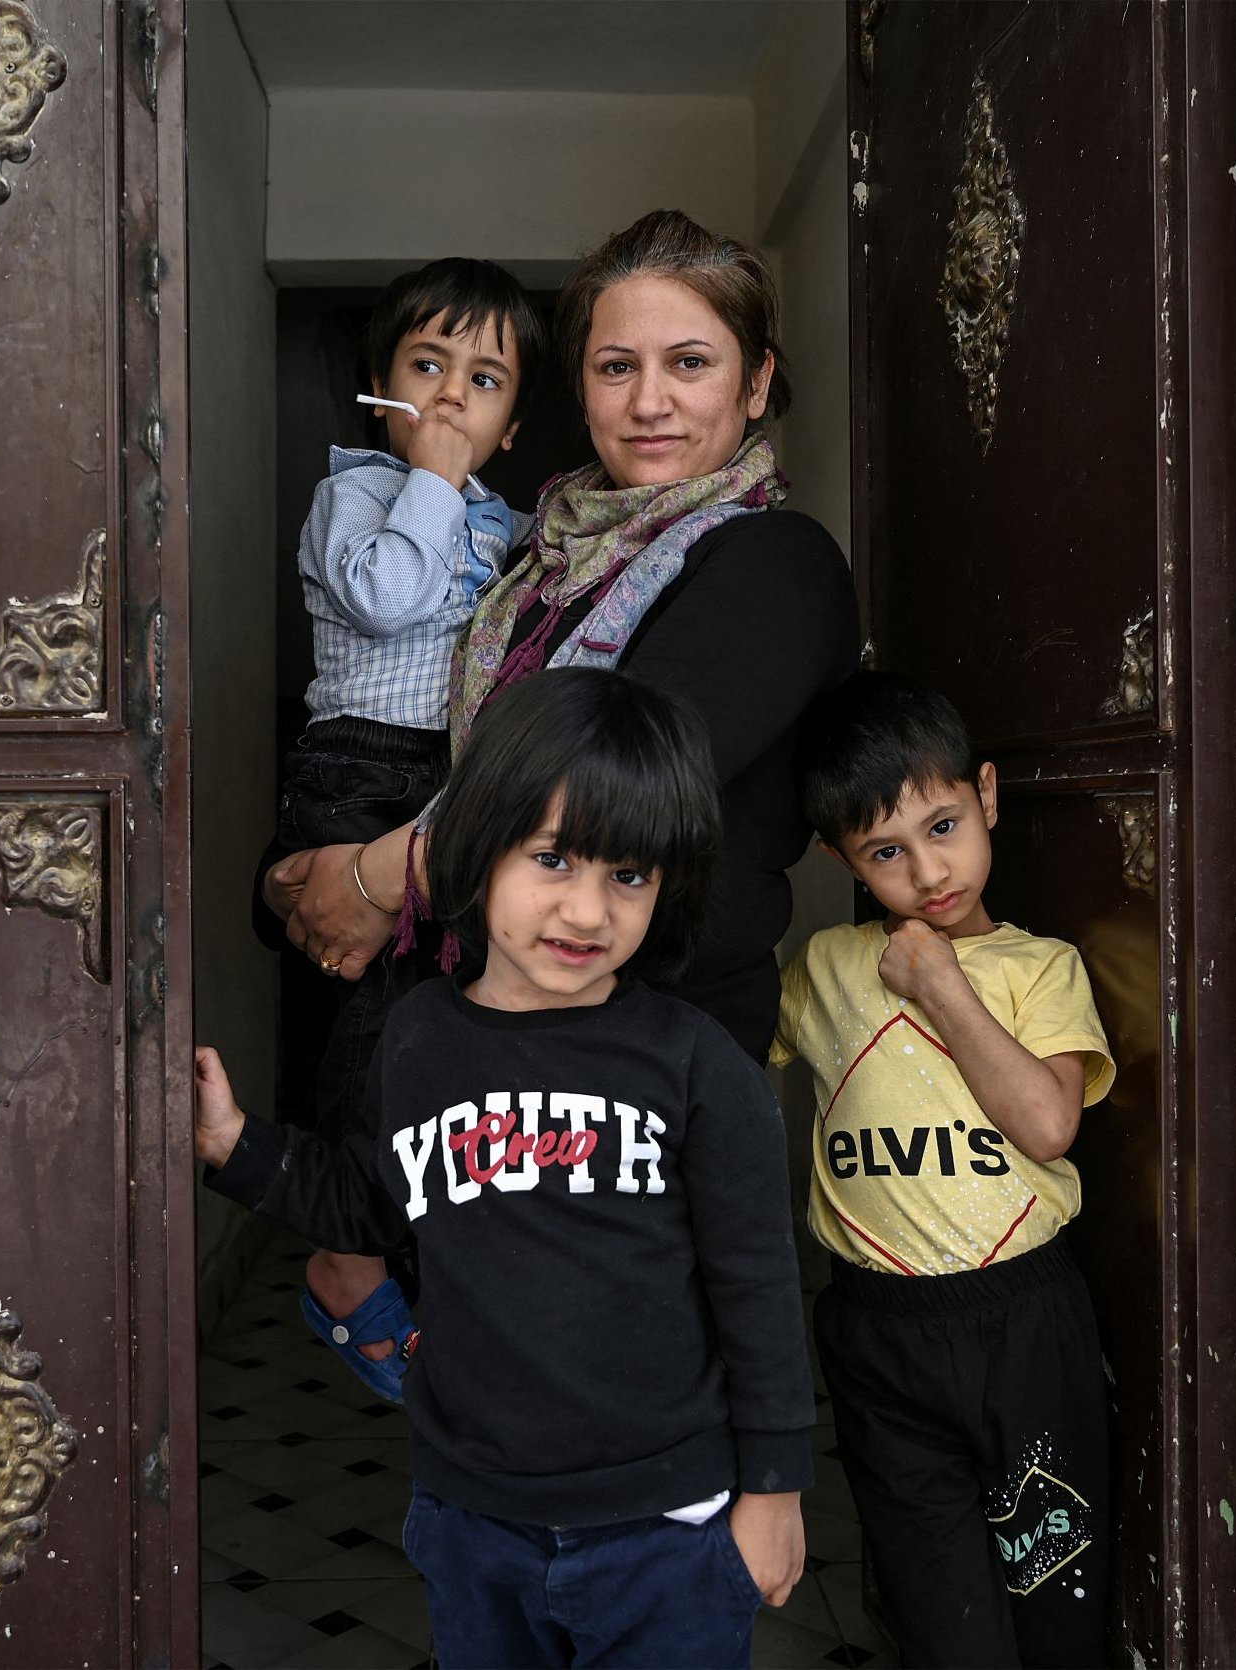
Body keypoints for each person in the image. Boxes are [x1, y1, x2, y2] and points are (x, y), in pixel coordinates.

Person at [261, 209, 861, 1398]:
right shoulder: (534, 555)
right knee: (498, 1434)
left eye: (689, 363)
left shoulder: (774, 562)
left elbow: (606, 782)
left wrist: (380, 877)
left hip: (650, 1065)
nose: (650, 401)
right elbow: (436, 749)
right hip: (496, 1047)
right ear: (578, 388)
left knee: (623, 1426)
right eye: (614, 365)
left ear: (756, 386)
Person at [199, 670, 816, 1669]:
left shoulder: (695, 1065)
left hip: (667, 1525)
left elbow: (757, 1288)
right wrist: (235, 1145)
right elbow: (370, 1199)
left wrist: (776, 1491)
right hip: (471, 1511)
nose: (585, 908)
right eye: (553, 857)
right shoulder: (418, 1039)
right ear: (477, 844)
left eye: (629, 875)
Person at [771, 669, 1117, 1669]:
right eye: (885, 850)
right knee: (937, 1608)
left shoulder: (1035, 966)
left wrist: (939, 980)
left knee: (1055, 1599)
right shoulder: (825, 966)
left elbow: (1048, 1122)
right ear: (841, 856)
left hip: (1021, 1323)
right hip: (877, 1328)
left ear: (987, 797)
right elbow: (721, 1060)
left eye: (941, 825)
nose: (927, 872)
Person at [257, 259, 544, 1397]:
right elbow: (380, 595)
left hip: (443, 786)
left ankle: (418, 1237)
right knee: (369, 1011)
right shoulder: (358, 495)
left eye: (482, 381)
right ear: (378, 385)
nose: (449, 399)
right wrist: (428, 476)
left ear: (512, 422)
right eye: (427, 367)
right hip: (353, 772)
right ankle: (342, 1247)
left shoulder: (508, 524)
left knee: (441, 1016)